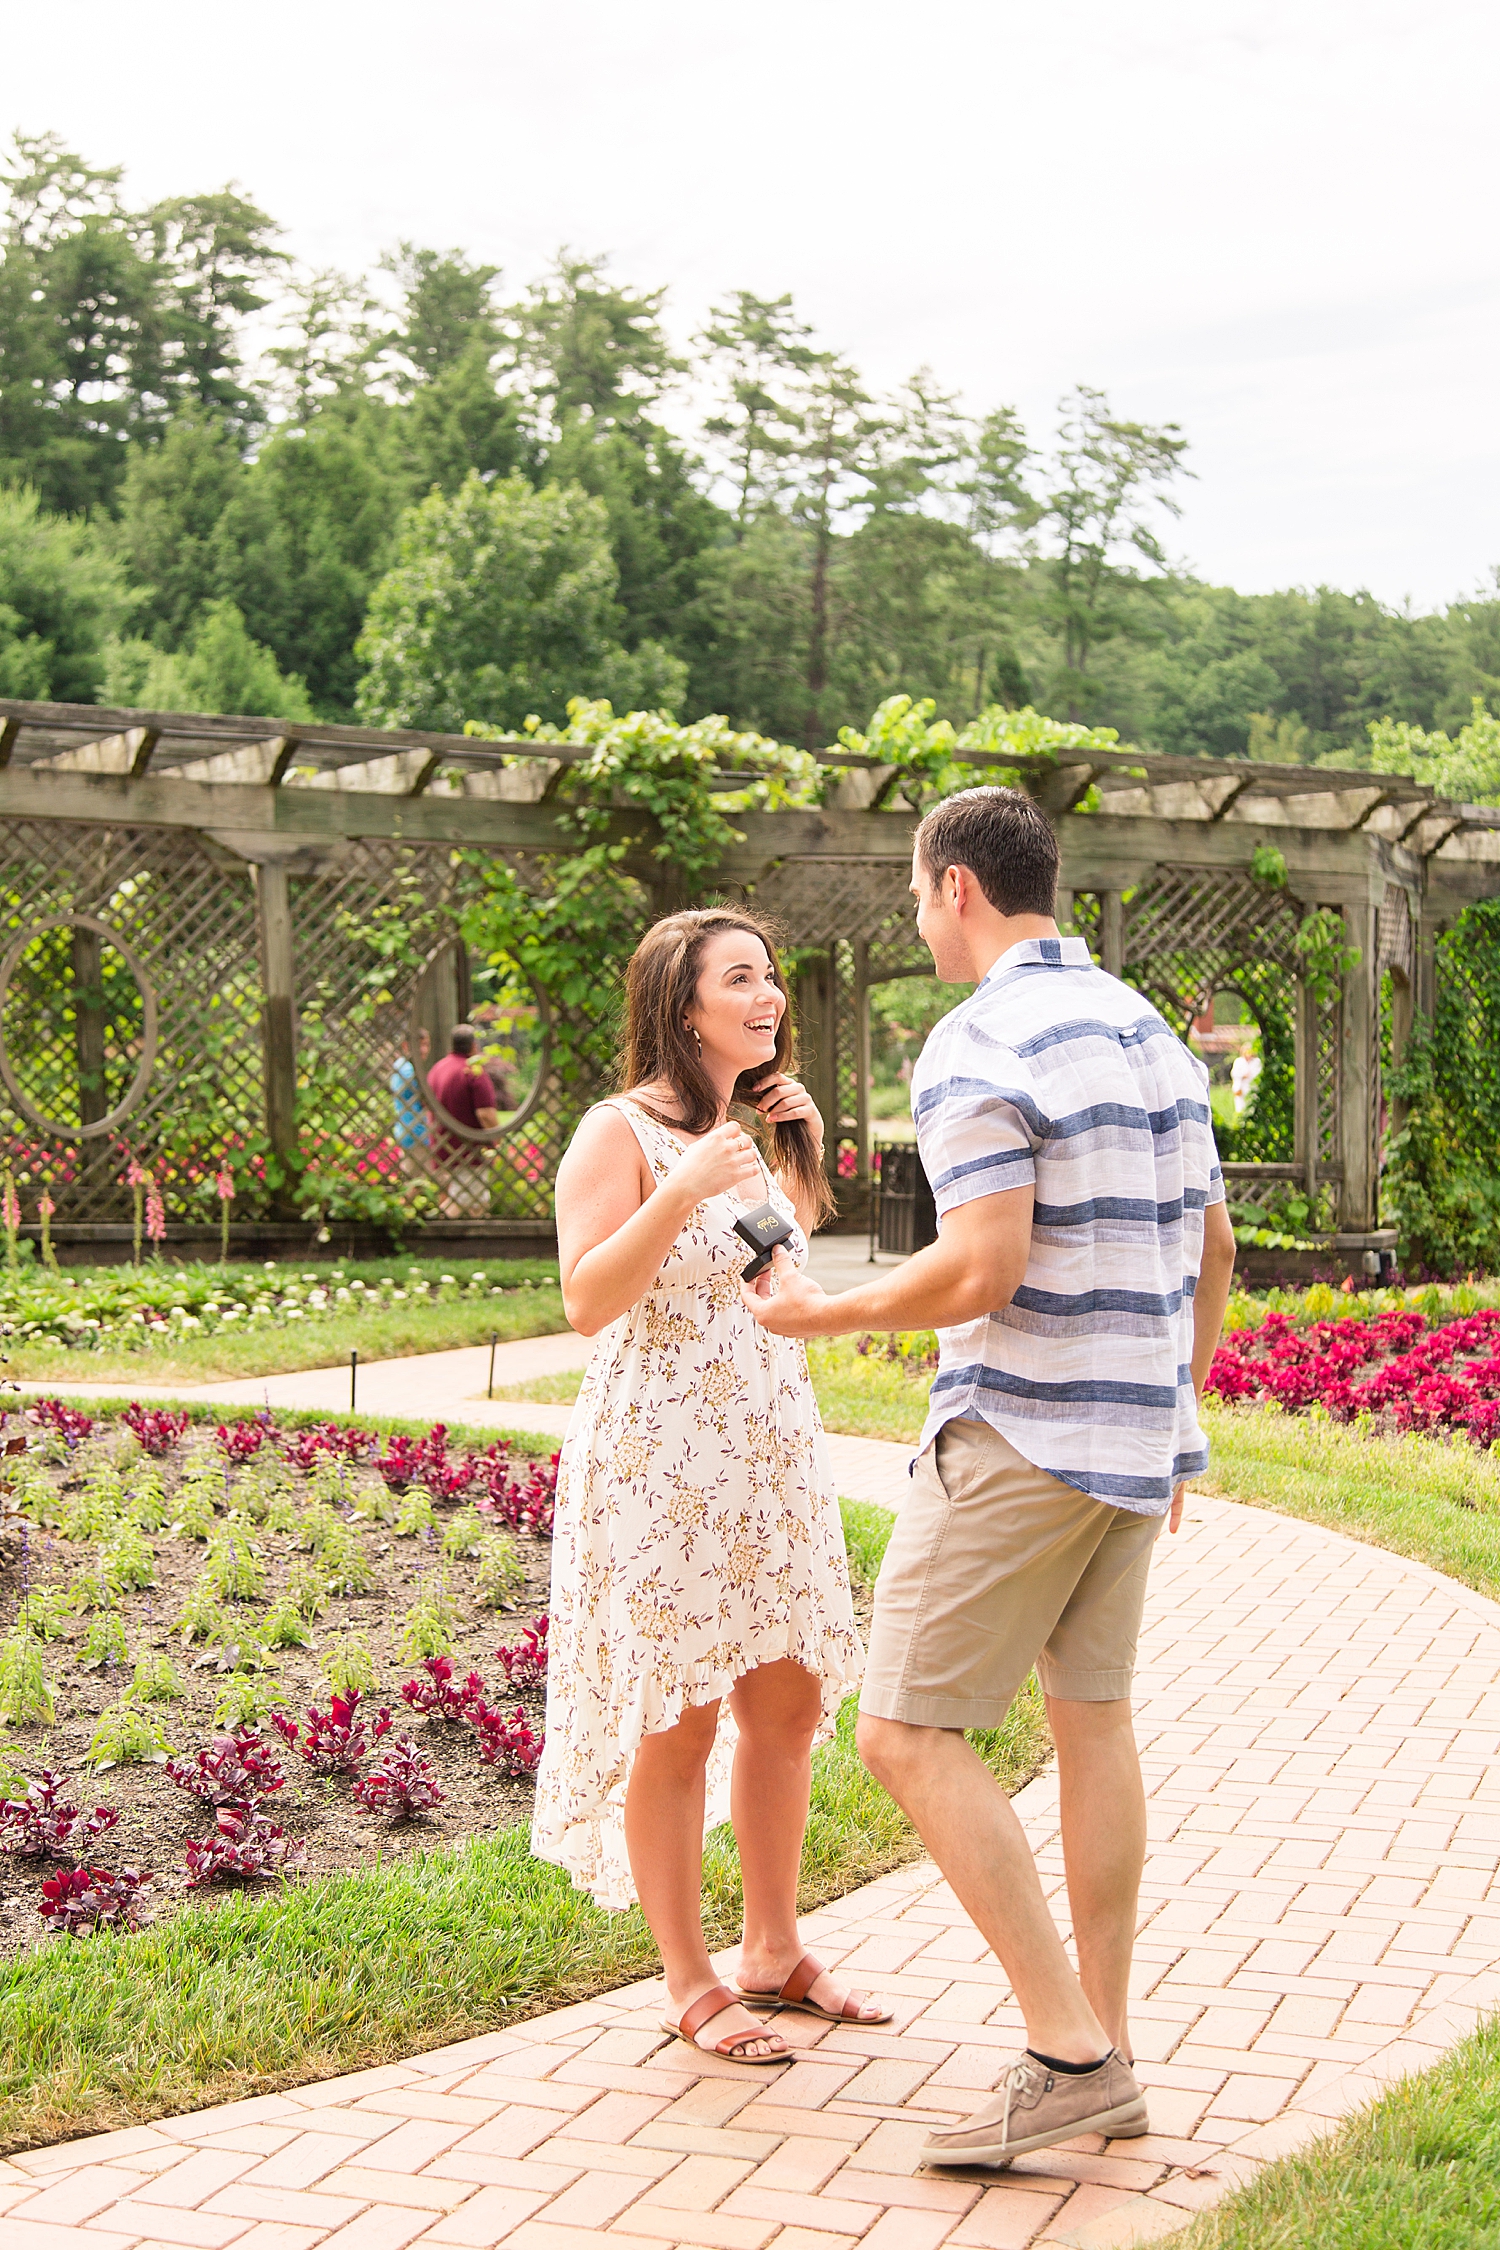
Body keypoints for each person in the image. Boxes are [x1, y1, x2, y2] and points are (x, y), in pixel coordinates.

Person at [744, 787, 1237, 2162]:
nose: (918, 920)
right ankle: (1108, 2039)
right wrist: (1172, 1411)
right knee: (1093, 1724)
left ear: (955, 886)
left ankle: (1068, 2050)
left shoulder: (979, 1041)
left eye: (917, 896)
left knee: (902, 1730)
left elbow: (983, 1268)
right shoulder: (1150, 1031)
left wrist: (818, 1313)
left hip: (1022, 1433)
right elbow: (1216, 1254)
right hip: (1138, 1438)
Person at [532, 906, 884, 2066]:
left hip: (768, 1454)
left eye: (771, 975)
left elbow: (777, 1271)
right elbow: (588, 1301)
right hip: (660, 1464)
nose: (768, 993)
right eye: (741, 978)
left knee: (784, 1704)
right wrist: (679, 1185)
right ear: (683, 1007)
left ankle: (773, 1951)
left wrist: (803, 1153)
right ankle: (688, 1979)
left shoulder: (741, 1126)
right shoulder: (616, 1132)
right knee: (674, 1722)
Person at [427, 1024, 499, 1217]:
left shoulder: (437, 1069)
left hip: (441, 1147)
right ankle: (438, 1235)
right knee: (468, 1201)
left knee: (461, 1201)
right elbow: (485, 1114)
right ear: (474, 1045)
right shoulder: (472, 1071)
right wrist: (496, 1139)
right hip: (468, 1150)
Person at [389, 1027, 430, 1174]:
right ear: (406, 1046)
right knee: (442, 1180)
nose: (424, 1050)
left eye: (426, 1045)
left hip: (406, 1131)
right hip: (418, 1134)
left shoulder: (399, 1066)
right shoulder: (410, 1072)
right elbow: (429, 1101)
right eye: (420, 1045)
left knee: (414, 1183)